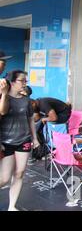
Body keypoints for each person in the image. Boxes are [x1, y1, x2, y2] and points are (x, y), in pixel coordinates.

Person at [0, 70, 39, 211]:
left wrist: (34, 138)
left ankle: (12, 206)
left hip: (24, 140)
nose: (25, 84)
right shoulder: (3, 98)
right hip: (6, 142)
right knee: (4, 179)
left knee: (20, 173)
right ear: (12, 82)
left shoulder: (26, 100)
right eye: (22, 81)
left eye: (25, 81)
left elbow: (30, 120)